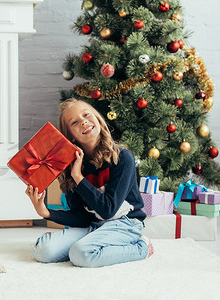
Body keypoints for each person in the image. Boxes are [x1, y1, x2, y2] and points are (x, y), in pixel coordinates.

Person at [25, 98, 153, 267]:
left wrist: (79, 177)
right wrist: (47, 212)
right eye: (74, 122)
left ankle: (142, 247)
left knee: (81, 254)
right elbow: (81, 217)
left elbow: (108, 210)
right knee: (43, 250)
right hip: (93, 225)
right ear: (70, 135)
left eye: (86, 115)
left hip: (125, 223)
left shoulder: (122, 158)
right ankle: (92, 243)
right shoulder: (72, 167)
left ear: (97, 119)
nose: (83, 121)